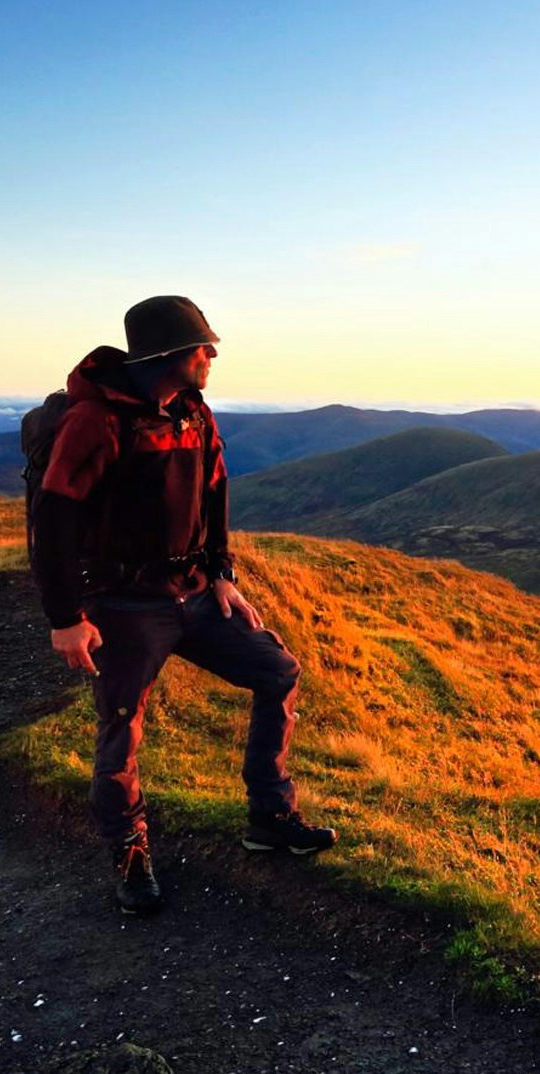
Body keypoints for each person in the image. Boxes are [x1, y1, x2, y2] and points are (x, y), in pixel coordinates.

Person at [29, 295, 336, 916]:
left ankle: (270, 817)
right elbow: (53, 520)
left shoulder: (193, 414)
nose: (212, 356)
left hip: (193, 594)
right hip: (124, 606)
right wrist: (66, 619)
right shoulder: (97, 421)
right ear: (169, 354)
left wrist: (221, 574)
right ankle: (130, 853)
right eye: (203, 347)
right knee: (122, 727)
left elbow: (214, 494)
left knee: (277, 670)